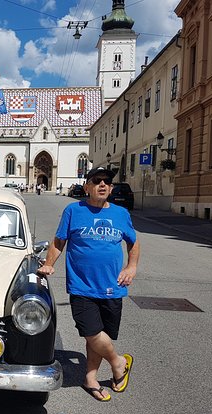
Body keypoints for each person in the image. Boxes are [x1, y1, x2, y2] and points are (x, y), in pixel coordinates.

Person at [37, 167, 140, 402]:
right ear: (87, 186)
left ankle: (90, 378)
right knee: (91, 332)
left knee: (100, 335)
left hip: (113, 285)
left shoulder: (121, 214)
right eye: (97, 181)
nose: (102, 184)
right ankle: (119, 362)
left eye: (107, 182)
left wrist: (131, 268)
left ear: (111, 188)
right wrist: (49, 264)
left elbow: (134, 243)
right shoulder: (74, 210)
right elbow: (59, 241)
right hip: (82, 286)